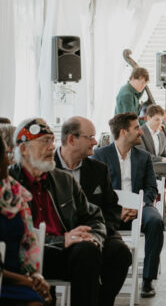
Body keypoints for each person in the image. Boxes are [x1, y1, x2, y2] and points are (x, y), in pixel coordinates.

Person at [9, 117, 106, 305]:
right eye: (45, 141)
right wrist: (63, 240)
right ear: (23, 149)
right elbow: (15, 237)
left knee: (101, 251)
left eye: (52, 141)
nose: (52, 147)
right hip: (27, 258)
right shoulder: (9, 182)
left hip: (64, 253)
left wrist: (92, 237)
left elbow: (94, 216)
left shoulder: (64, 180)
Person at [54, 116, 132, 306]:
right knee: (85, 255)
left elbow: (112, 208)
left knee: (121, 253)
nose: (95, 142)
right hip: (60, 233)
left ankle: (102, 302)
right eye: (90, 137)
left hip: (100, 230)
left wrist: (97, 231)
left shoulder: (98, 169)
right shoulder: (48, 168)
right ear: (72, 140)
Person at [93, 112, 163, 298]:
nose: (141, 132)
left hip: (140, 208)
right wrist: (118, 210)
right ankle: (100, 275)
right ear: (123, 132)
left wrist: (139, 206)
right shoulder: (99, 155)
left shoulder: (144, 156)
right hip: (110, 211)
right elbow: (95, 190)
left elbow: (151, 188)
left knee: (156, 221)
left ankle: (147, 280)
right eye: (136, 128)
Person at [0, 136, 51, 306]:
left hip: (17, 275)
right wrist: (30, 282)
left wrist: (35, 276)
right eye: (4, 154)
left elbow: (29, 241)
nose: (8, 158)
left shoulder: (14, 192)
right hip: (10, 279)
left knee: (37, 301)